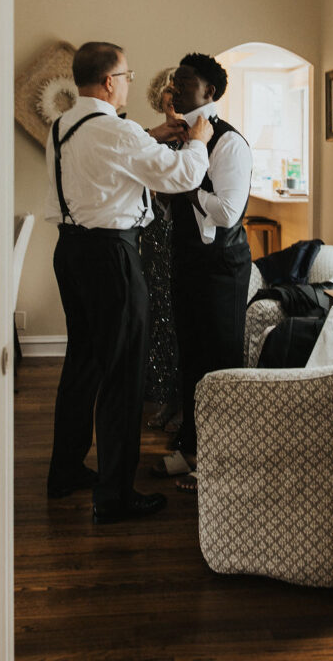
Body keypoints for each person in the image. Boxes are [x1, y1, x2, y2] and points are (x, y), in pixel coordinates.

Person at [45, 41, 212, 524]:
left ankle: (66, 471)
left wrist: (154, 132)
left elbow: (111, 155)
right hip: (112, 256)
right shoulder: (116, 132)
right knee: (124, 375)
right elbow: (181, 176)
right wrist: (197, 139)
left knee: (83, 363)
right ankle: (115, 496)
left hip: (70, 250)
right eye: (128, 74)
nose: (131, 82)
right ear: (111, 81)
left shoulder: (65, 124)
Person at [161, 52, 253, 491]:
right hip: (187, 260)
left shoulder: (228, 143)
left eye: (184, 81)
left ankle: (220, 464)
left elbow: (229, 211)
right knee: (191, 356)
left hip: (221, 269)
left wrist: (189, 184)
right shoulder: (181, 137)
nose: (175, 87)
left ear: (209, 92)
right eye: (174, 80)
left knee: (219, 362)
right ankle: (192, 449)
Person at [141, 67, 182, 430]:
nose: (173, 100)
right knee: (158, 315)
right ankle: (163, 397)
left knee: (180, 318)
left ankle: (181, 402)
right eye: (168, 94)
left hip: (183, 238)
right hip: (153, 236)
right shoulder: (150, 141)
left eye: (178, 93)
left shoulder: (200, 138)